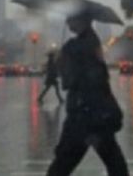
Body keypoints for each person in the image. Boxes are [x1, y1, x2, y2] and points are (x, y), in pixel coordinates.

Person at [47, 11, 128, 176]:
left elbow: (71, 80)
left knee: (63, 163)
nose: (68, 22)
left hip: (85, 115)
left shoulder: (79, 45)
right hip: (96, 113)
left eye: (71, 18)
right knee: (114, 162)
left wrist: (61, 60)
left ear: (83, 20)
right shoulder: (90, 41)